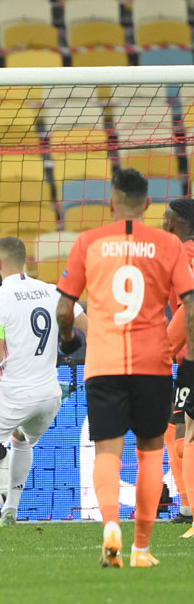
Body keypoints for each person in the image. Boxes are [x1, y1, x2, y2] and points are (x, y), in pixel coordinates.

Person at [55, 168, 194, 568]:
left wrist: (69, 340)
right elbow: (190, 303)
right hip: (153, 361)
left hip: (104, 361)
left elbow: (64, 308)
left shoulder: (88, 242)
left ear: (111, 204)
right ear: (147, 204)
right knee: (151, 453)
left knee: (107, 452)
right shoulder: (168, 246)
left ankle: (112, 529)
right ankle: (141, 548)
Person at [0, 237, 88, 528]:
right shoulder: (53, 291)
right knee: (20, 439)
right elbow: (93, 328)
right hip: (50, 396)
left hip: (13, 394)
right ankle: (10, 511)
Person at [163, 199, 194, 525]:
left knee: (179, 430)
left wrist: (167, 346)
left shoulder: (184, 254)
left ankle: (188, 506)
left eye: (165, 218)